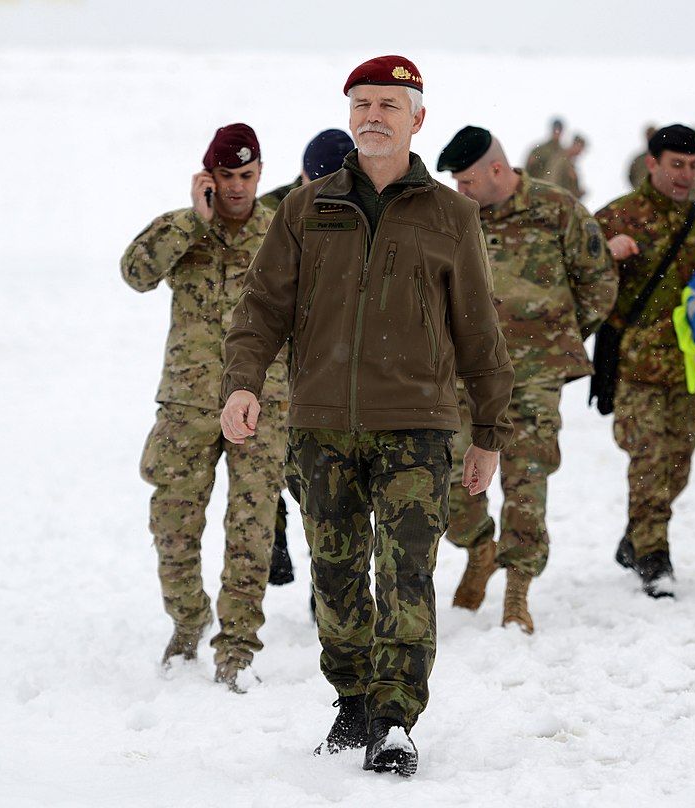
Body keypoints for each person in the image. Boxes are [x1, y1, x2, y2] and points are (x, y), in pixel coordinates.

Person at [219, 56, 514, 777]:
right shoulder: (306, 207)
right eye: (362, 103)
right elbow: (261, 309)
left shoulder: (451, 214)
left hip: (419, 425)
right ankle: (352, 700)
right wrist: (242, 383)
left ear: (418, 117)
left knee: (406, 570)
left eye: (389, 103)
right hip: (322, 426)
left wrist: (491, 435)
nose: (373, 115)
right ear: (349, 113)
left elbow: (479, 329)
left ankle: (394, 719)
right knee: (337, 575)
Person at [120, 123, 290, 691]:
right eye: (226, 176)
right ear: (207, 177)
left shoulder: (282, 233)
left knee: (251, 528)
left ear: (261, 173)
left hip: (260, 402)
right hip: (188, 403)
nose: (237, 187)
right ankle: (188, 621)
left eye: (246, 175)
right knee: (172, 520)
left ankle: (237, 646)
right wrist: (195, 219)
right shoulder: (183, 229)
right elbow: (135, 273)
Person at [436, 126, 617, 633]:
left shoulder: (557, 210)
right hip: (463, 375)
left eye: (467, 180)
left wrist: (559, 333)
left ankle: (518, 588)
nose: (460, 189)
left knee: (527, 480)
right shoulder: (454, 218)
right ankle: (478, 547)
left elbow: (598, 280)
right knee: (450, 477)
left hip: (533, 377)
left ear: (498, 170)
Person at [594, 124, 695, 598]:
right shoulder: (615, 218)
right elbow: (573, 275)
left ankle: (635, 537)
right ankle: (655, 555)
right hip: (635, 367)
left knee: (679, 465)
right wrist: (605, 257)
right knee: (649, 461)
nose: (685, 175)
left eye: (693, 166)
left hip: (687, 369)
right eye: (676, 165)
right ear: (652, 163)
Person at [258, 127, 355, 590]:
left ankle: (328, 583)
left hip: (329, 361)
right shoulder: (271, 212)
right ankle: (275, 535)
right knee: (266, 456)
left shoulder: (358, 206)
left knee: (325, 478)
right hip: (276, 361)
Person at [259, 128, 355, 210]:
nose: (325, 201)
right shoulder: (270, 211)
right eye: (318, 189)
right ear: (303, 173)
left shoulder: (365, 208)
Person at [544, 133, 587, 200]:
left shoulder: (570, 162)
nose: (580, 152)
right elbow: (552, 178)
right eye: (580, 148)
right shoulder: (560, 158)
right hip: (555, 198)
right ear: (575, 145)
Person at [524, 117, 565, 183]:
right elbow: (528, 169)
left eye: (558, 130)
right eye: (555, 130)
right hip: (540, 186)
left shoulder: (563, 153)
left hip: (557, 189)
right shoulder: (539, 150)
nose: (556, 133)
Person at [627, 124, 656, 189]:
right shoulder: (638, 160)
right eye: (649, 134)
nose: (650, 137)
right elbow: (631, 177)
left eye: (653, 134)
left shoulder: (664, 159)